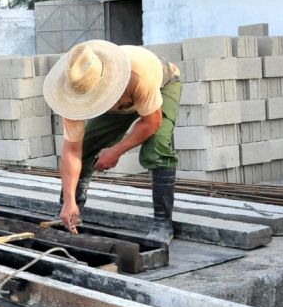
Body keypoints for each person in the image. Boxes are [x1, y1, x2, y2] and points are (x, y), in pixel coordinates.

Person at [43, 40, 182, 243]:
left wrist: (115, 151)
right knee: (86, 146)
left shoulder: (138, 75)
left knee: (156, 148)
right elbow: (72, 151)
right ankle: (71, 211)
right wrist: (69, 198)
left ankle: (163, 224)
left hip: (162, 86)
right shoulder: (72, 92)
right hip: (120, 102)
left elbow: (151, 122)